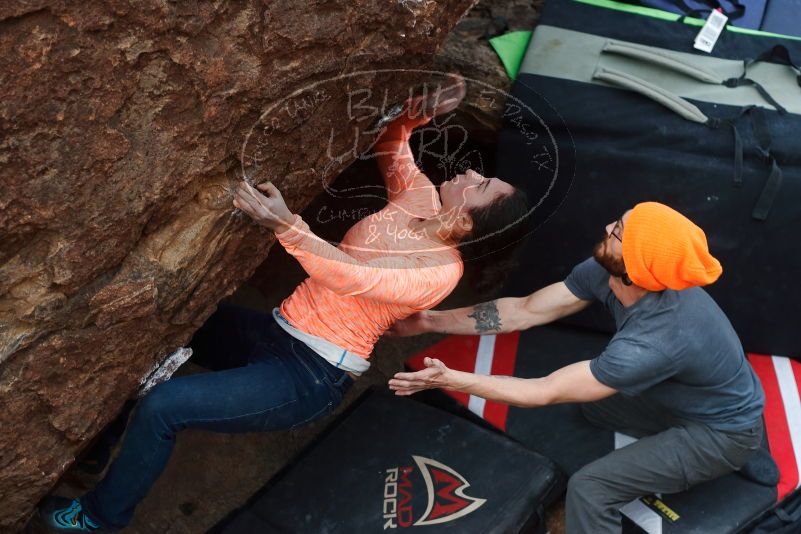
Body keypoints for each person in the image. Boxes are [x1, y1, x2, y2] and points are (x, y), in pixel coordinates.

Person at [37, 77, 531, 532]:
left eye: (481, 185)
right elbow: (393, 148)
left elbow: (351, 276)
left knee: (164, 407)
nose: (470, 171)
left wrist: (286, 225)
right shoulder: (420, 200)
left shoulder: (439, 273)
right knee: (167, 329)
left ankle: (101, 517)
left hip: (309, 375)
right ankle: (97, 454)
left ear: (466, 224)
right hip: (276, 332)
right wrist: (416, 115)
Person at [388, 202, 769, 534]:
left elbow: (543, 392)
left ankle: (744, 449)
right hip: (688, 393)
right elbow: (525, 310)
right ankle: (723, 434)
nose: (607, 228)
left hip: (723, 431)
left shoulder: (654, 342)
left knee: (590, 489)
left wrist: (452, 379)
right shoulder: (610, 269)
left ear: (636, 269)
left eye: (618, 231)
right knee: (594, 405)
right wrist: (428, 322)